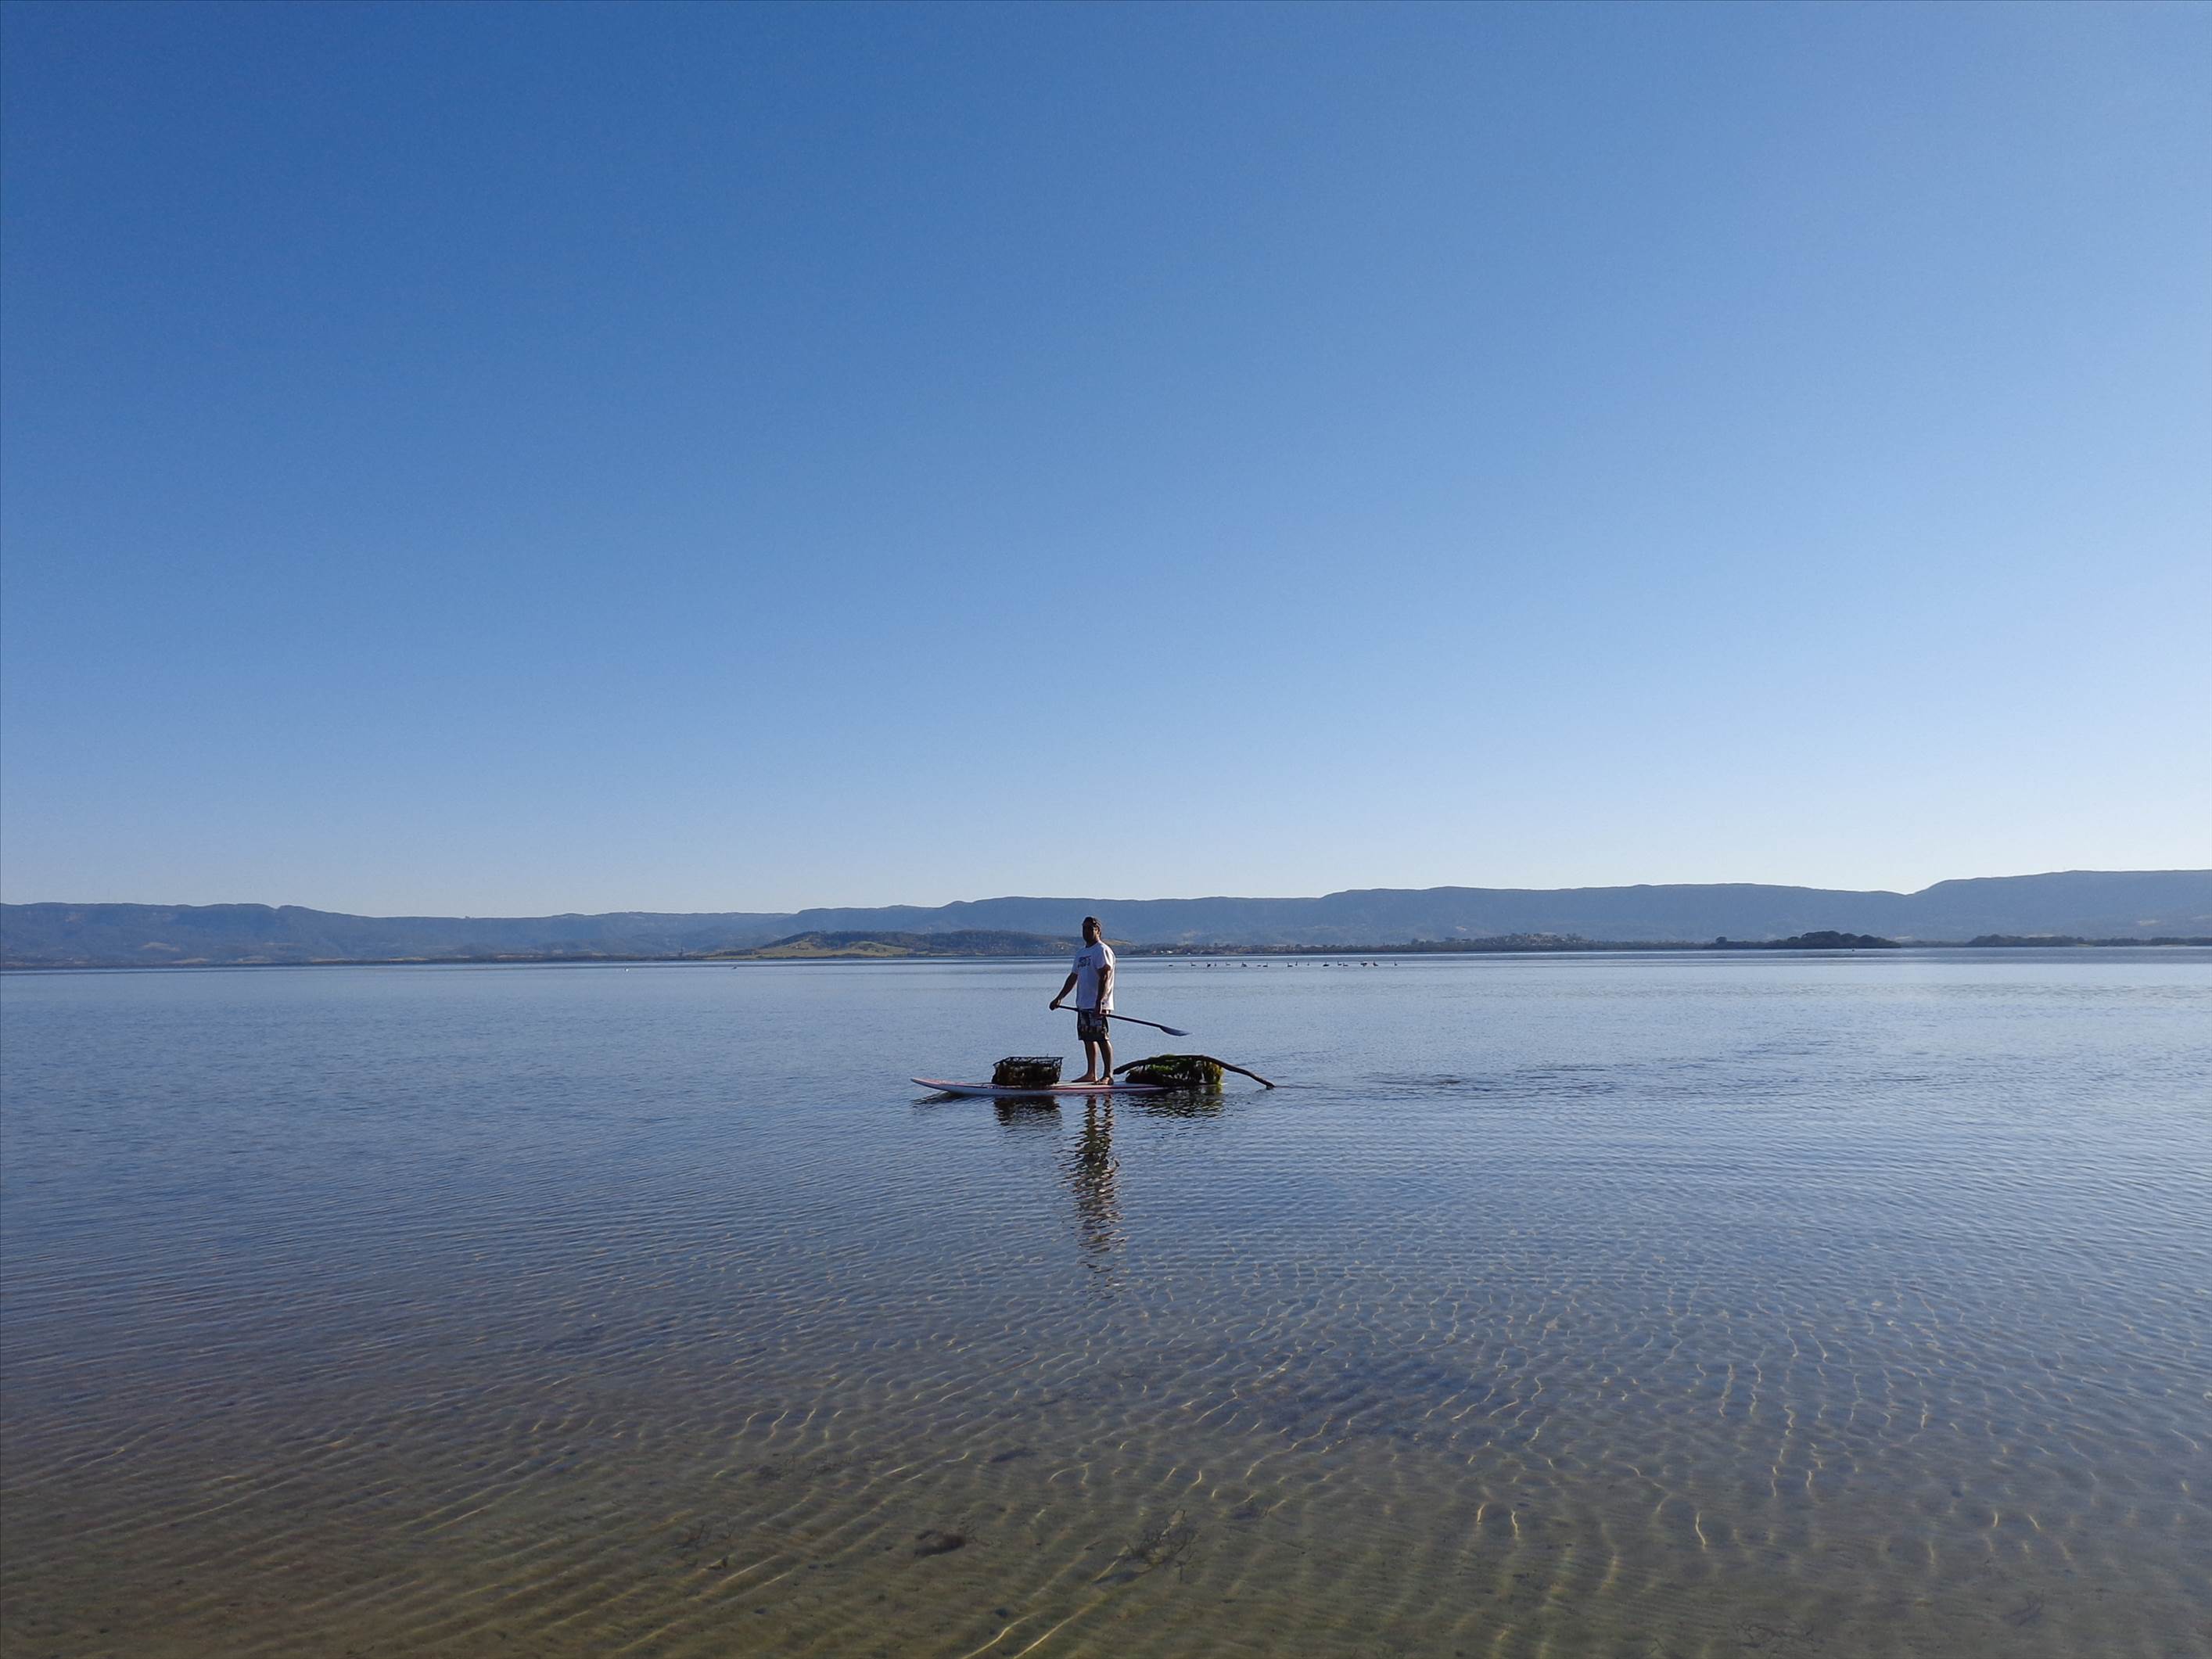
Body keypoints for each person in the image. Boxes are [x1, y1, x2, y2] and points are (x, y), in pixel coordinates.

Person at [1050, 917, 1115, 1083]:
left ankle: (1108, 1075)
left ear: (1098, 931)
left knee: (1101, 1037)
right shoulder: (1081, 953)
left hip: (1098, 1004)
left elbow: (1105, 976)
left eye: (1090, 929)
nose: (1086, 932)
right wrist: (1059, 998)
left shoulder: (1102, 950)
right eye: (1084, 928)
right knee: (1087, 1038)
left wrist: (1100, 1002)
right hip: (1083, 1003)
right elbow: (1073, 977)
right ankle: (1091, 1073)